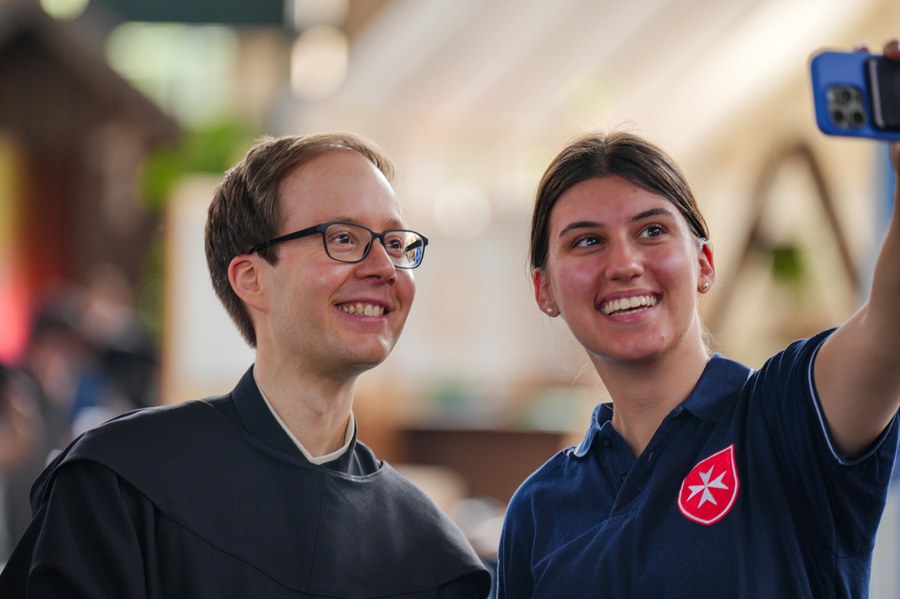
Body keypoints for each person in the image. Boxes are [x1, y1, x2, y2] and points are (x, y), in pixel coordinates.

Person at [0, 133, 492, 597]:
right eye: (343, 238)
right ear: (252, 278)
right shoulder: (122, 484)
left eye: (395, 242)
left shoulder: (432, 555)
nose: (384, 267)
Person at [494, 41, 900, 599]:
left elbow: (890, 329)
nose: (625, 264)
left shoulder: (785, 420)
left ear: (703, 263)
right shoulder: (539, 510)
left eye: (652, 231)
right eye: (588, 241)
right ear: (545, 289)